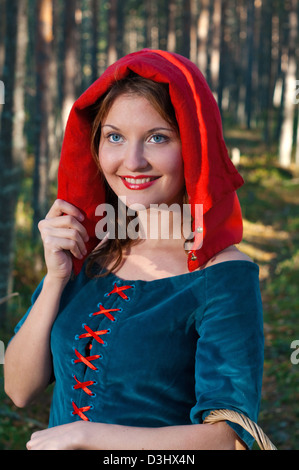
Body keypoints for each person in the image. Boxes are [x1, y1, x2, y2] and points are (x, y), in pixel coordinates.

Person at [4, 49, 264, 450]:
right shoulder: (91, 255)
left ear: (194, 147)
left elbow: (226, 438)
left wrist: (86, 434)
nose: (133, 161)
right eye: (115, 137)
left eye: (157, 137)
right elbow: (19, 389)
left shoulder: (223, 276)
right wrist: (56, 278)